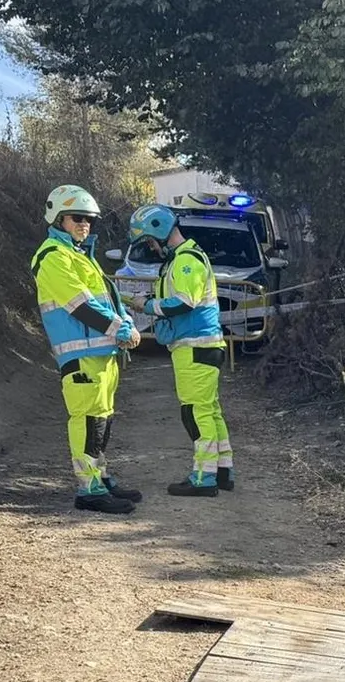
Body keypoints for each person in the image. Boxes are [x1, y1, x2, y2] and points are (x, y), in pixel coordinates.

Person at [32, 184, 142, 514]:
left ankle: (100, 479)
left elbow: (107, 299)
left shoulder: (81, 255)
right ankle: (89, 489)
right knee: (87, 420)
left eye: (89, 219)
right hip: (81, 355)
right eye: (77, 218)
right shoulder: (53, 256)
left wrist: (126, 321)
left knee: (102, 420)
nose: (85, 224)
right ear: (58, 219)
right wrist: (119, 328)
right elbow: (80, 305)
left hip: (102, 352)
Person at [125, 203, 233, 497]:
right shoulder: (185, 258)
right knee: (209, 411)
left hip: (194, 346)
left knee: (195, 413)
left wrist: (147, 305)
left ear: (160, 231)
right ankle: (223, 471)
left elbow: (184, 302)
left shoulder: (186, 260)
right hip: (203, 346)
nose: (151, 247)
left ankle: (203, 478)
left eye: (150, 241)